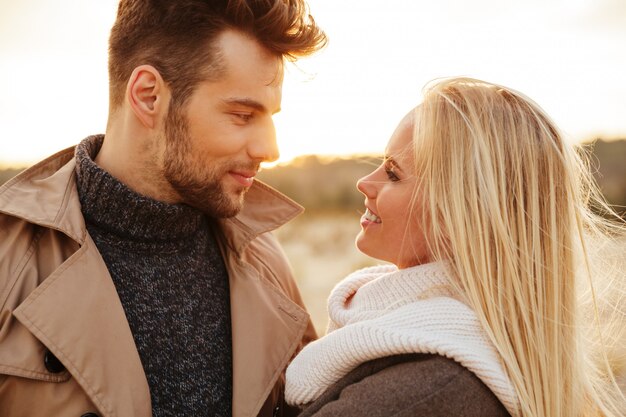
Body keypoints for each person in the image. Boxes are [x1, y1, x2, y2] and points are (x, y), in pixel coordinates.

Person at [0, 1, 326, 416]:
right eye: (243, 115)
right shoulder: (8, 262)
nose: (270, 149)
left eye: (269, 117)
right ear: (148, 96)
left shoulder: (264, 259)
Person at [285, 78, 626, 417]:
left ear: (459, 214)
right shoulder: (455, 340)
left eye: (392, 173)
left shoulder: (428, 391)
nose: (364, 182)